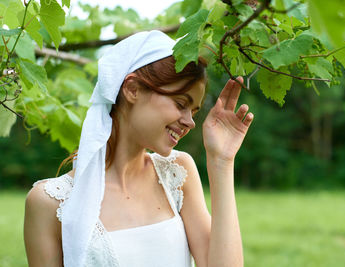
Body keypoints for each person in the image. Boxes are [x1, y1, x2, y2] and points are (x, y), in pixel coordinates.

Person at [24, 30, 253, 267]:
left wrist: (221, 161)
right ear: (132, 89)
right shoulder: (49, 202)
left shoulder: (176, 174)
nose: (190, 122)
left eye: (193, 111)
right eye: (181, 104)